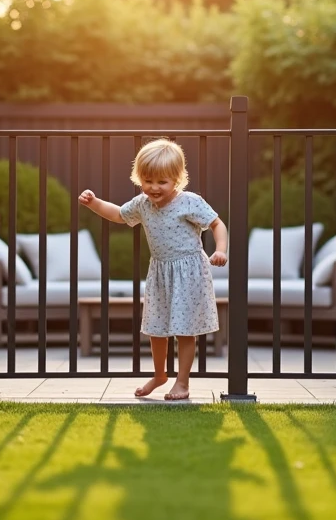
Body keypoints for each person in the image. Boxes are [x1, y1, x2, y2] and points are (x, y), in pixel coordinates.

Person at [78, 139, 228, 400]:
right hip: (160, 272)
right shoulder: (142, 204)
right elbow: (118, 214)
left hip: (189, 273)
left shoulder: (189, 202)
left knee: (184, 330)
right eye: (148, 181)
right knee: (155, 327)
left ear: (177, 179)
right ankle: (160, 375)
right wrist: (94, 203)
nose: (154, 188)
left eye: (162, 182)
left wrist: (221, 249)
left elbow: (217, 224)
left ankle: (183, 383)